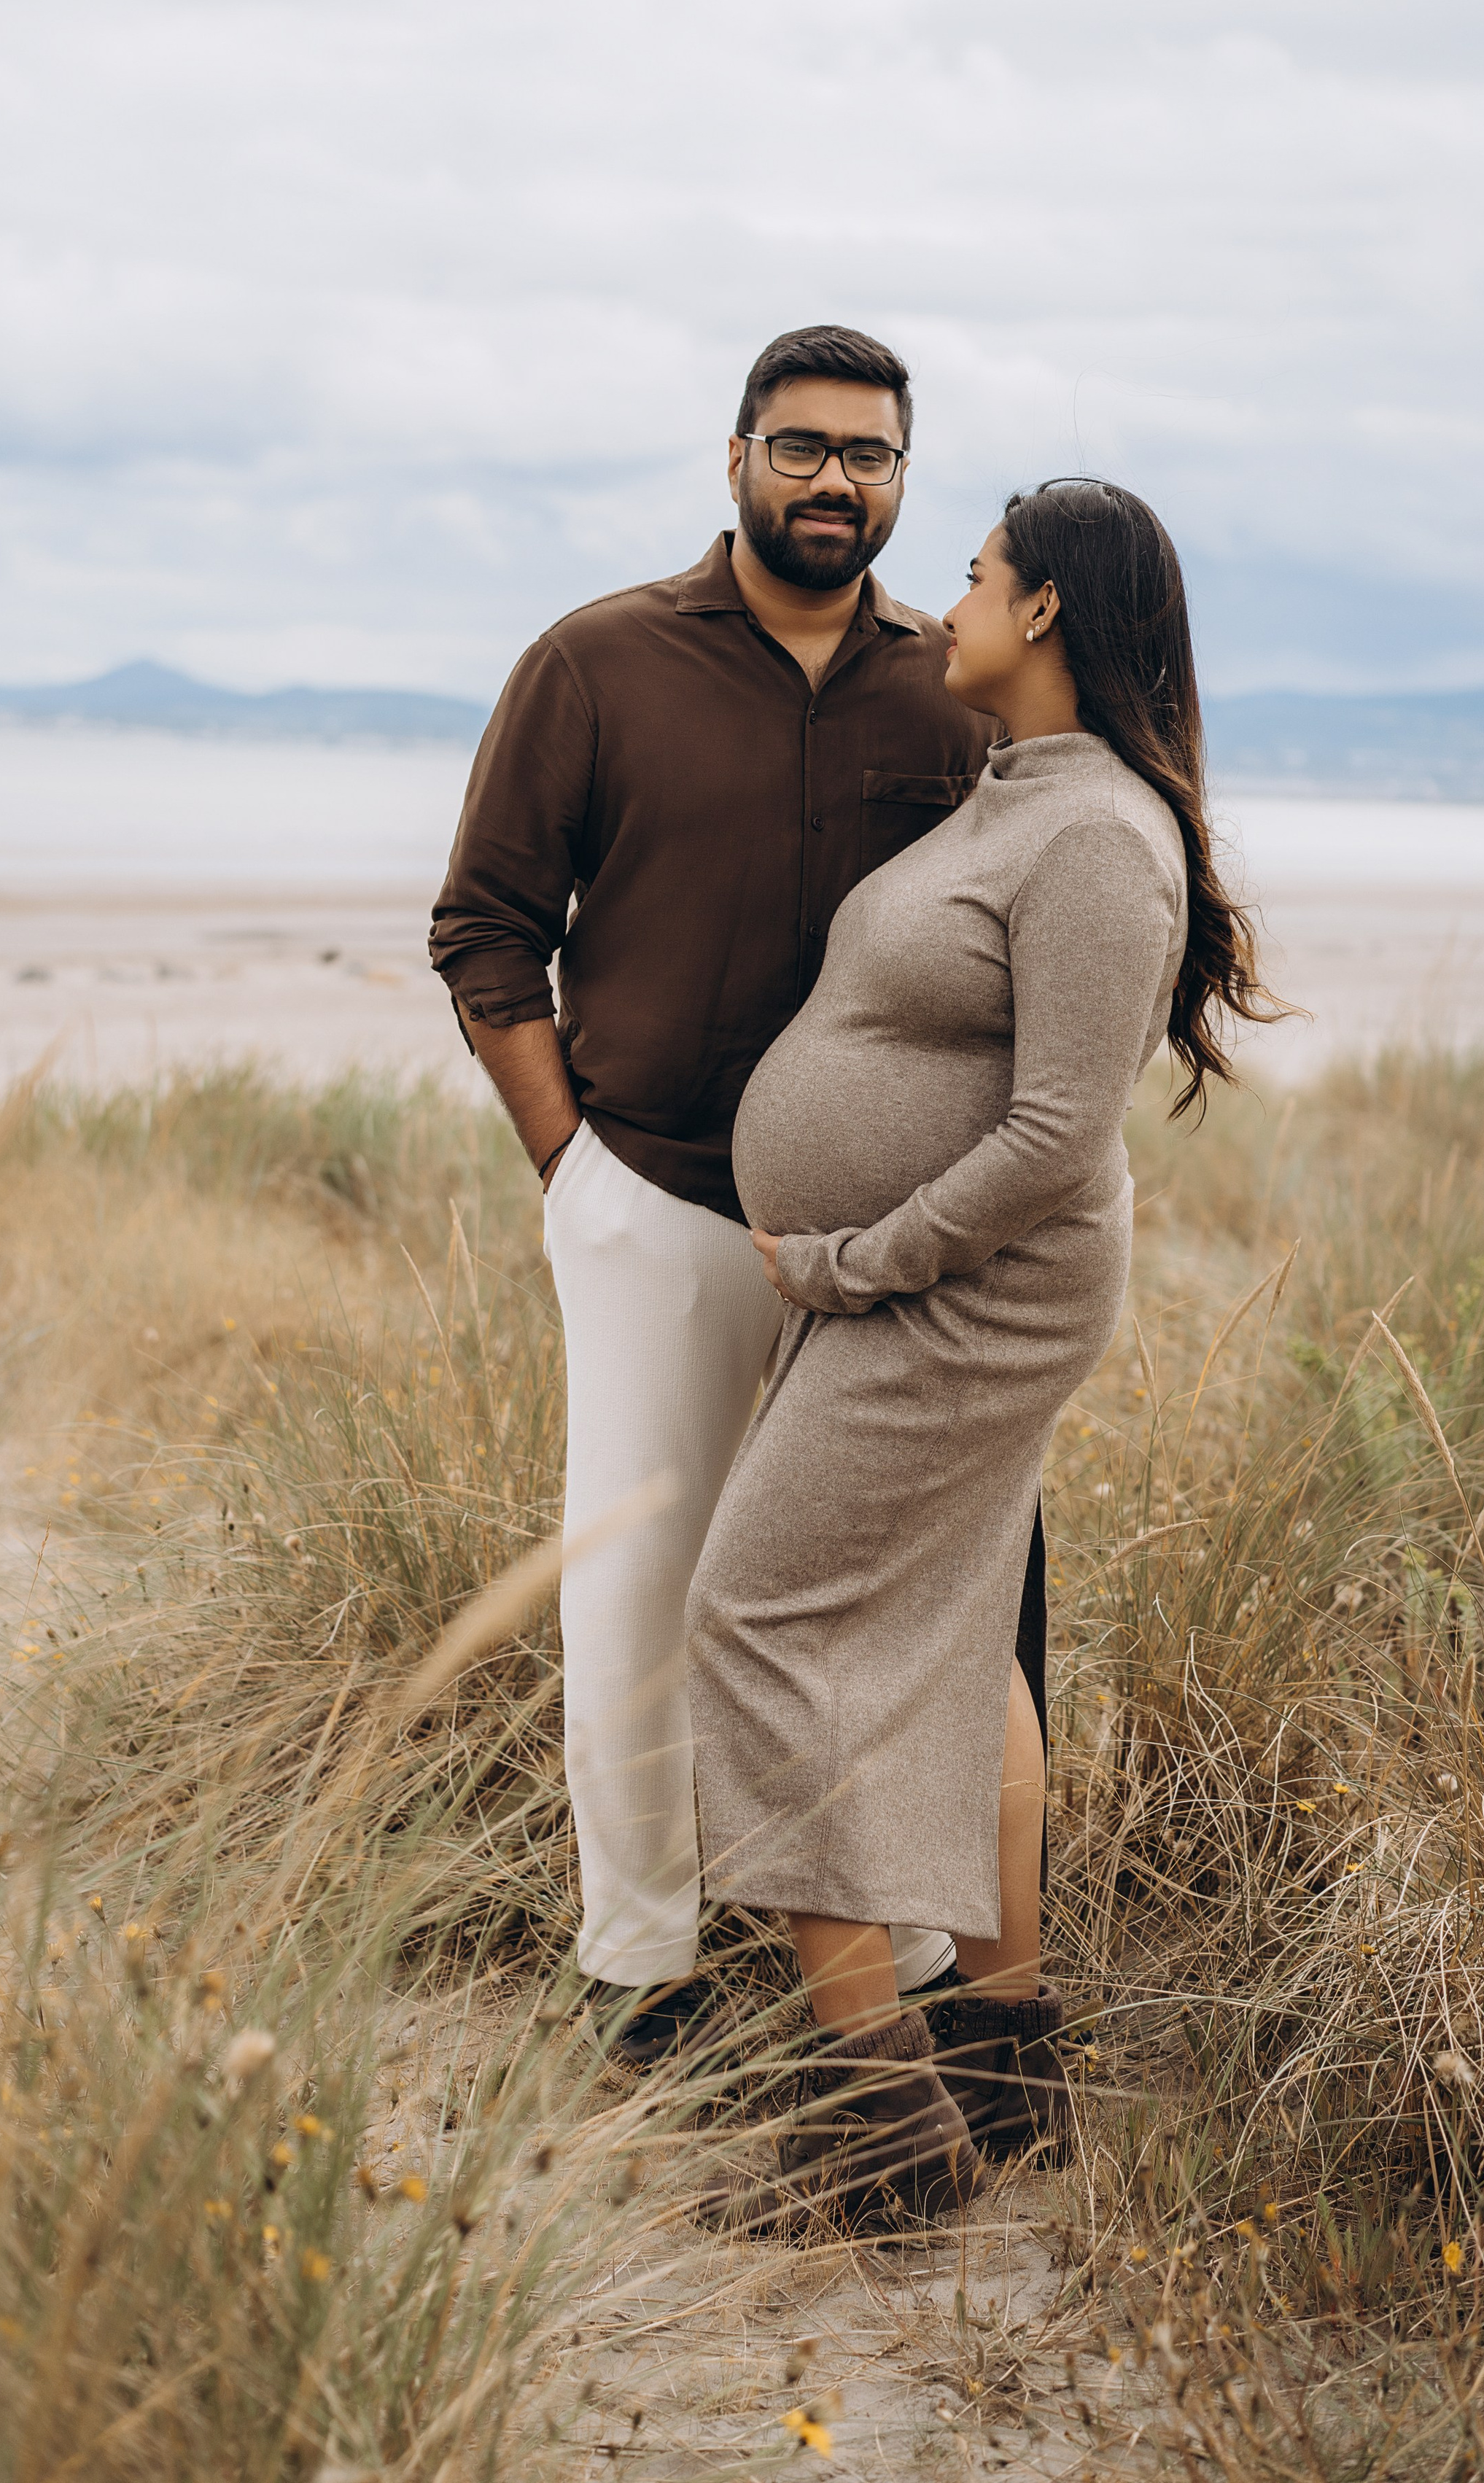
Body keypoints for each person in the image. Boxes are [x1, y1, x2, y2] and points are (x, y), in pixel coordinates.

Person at [430, 325, 1051, 2062]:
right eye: (802, 448)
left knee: (884, 1603)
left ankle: (903, 1961)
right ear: (732, 459)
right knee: (638, 1582)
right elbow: (484, 926)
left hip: (889, 1245)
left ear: (902, 481)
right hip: (656, 1201)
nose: (835, 481)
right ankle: (638, 1970)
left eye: (869, 456)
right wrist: (574, 1168)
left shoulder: (956, 685)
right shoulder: (595, 662)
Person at [685, 477, 1281, 2223]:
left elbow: (1051, 1134)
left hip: (972, 1292)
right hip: (929, 1284)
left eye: (968, 577)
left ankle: (878, 2136)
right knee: (950, 1644)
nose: (937, 602)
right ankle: (1007, 2068)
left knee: (753, 1615)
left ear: (1041, 617)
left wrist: (854, 1265)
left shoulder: (1094, 836)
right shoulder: (1013, 795)